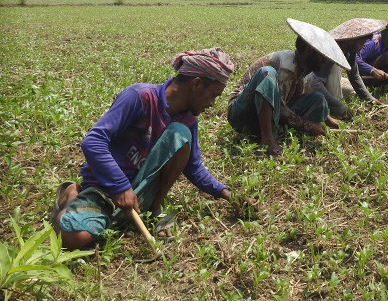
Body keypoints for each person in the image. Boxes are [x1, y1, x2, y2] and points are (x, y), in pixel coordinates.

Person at [52, 48, 255, 249]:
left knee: (180, 134)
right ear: (197, 84)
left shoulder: (189, 119)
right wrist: (121, 187)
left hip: (142, 189)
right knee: (73, 238)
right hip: (106, 187)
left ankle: (155, 206)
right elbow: (93, 142)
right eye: (213, 95)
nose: (212, 104)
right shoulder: (140, 97)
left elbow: (193, 166)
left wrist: (227, 194)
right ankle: (72, 194)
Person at [227, 18, 350, 156]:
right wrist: (306, 125)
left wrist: (327, 119)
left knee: (318, 99)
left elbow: (296, 98)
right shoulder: (287, 66)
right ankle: (267, 139)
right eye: (322, 55)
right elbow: (282, 107)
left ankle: (278, 132)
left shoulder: (301, 68)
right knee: (267, 73)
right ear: (309, 51)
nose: (324, 60)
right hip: (242, 113)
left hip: (270, 111)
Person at [304, 18, 387, 119]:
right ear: (352, 41)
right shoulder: (331, 51)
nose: (362, 47)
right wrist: (340, 107)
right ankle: (331, 109)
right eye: (362, 43)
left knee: (351, 92)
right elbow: (315, 83)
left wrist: (369, 99)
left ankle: (333, 102)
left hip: (320, 81)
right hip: (306, 83)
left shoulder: (349, 51)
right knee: (335, 68)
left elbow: (354, 75)